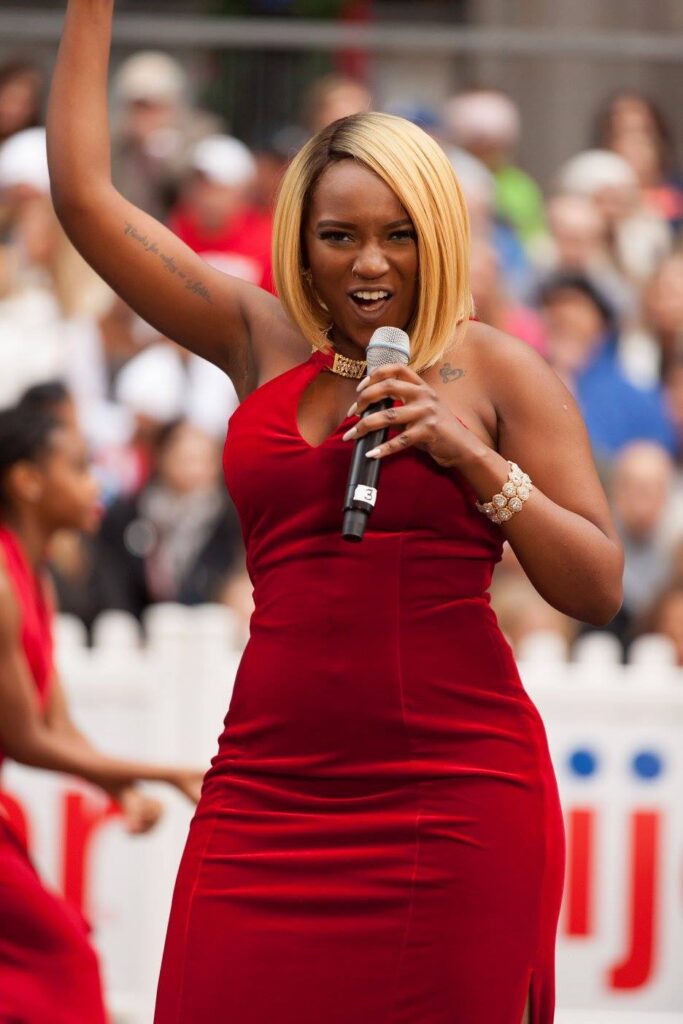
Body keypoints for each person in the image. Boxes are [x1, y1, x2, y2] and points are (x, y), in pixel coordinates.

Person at [48, 5, 624, 1020]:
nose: (369, 263)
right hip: (267, 794)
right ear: (299, 244)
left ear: (436, 234)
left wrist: (472, 457)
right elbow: (87, 200)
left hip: (451, 798)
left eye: (398, 235)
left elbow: (594, 582)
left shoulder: (496, 369)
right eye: (339, 235)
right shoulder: (255, 341)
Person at [0, 403, 205, 1021]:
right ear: (26, 481)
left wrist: (118, 784)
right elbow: (25, 738)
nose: (99, 482)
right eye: (79, 466)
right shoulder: (4, 579)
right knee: (67, 963)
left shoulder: (35, 578)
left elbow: (56, 725)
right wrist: (162, 774)